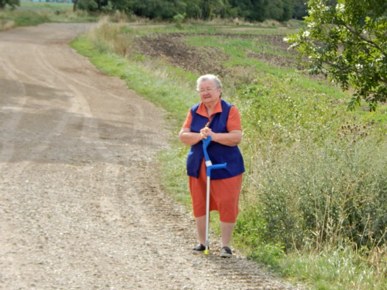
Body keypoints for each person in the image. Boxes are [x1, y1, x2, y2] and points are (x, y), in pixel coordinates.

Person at [179, 74, 245, 258]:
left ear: (219, 90)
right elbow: (183, 136)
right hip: (197, 165)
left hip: (226, 167)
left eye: (209, 89)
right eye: (202, 90)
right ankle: (202, 242)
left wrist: (213, 136)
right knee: (199, 203)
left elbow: (236, 137)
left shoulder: (229, 110)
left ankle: (226, 245)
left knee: (227, 203)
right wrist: (200, 136)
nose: (205, 93)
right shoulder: (194, 111)